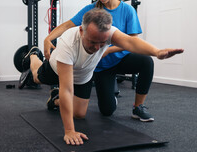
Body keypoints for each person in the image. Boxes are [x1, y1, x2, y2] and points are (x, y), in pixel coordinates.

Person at [20, 8, 184, 146]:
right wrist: (69, 131)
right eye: (92, 42)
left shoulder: (106, 31)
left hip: (83, 75)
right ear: (81, 30)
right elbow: (68, 89)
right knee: (36, 78)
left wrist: (157, 52)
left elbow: (131, 42)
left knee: (79, 114)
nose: (97, 48)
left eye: (102, 43)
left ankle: (55, 99)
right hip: (57, 69)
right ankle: (34, 56)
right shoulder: (68, 44)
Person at [44, 0, 157, 121]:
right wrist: (48, 38)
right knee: (107, 111)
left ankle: (138, 107)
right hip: (98, 66)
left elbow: (132, 41)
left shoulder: (127, 10)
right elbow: (67, 25)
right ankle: (56, 98)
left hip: (119, 60)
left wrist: (108, 50)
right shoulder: (91, 10)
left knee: (146, 61)